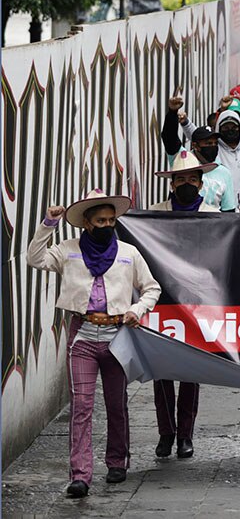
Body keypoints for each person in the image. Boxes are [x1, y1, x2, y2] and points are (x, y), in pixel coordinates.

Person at [27, 190, 162, 498]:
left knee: (117, 404)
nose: (107, 224)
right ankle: (80, 475)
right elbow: (34, 258)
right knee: (82, 406)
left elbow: (152, 288)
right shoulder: (68, 250)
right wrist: (49, 222)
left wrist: (136, 310)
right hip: (83, 335)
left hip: (118, 336)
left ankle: (117, 462)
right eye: (100, 220)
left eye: (111, 220)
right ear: (86, 223)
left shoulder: (128, 252)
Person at [148, 151, 218, 460]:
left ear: (201, 183)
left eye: (192, 179)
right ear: (172, 183)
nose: (186, 184)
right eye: (180, 179)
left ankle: (185, 435)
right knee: (161, 369)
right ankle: (166, 433)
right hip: (162, 301)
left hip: (197, 301)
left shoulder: (214, 214)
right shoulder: (153, 214)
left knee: (190, 369)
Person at [161, 91, 238, 212]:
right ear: (195, 146)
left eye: (215, 143)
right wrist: (172, 112)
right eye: (208, 143)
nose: (213, 146)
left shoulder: (224, 173)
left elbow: (228, 212)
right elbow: (169, 138)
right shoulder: (182, 159)